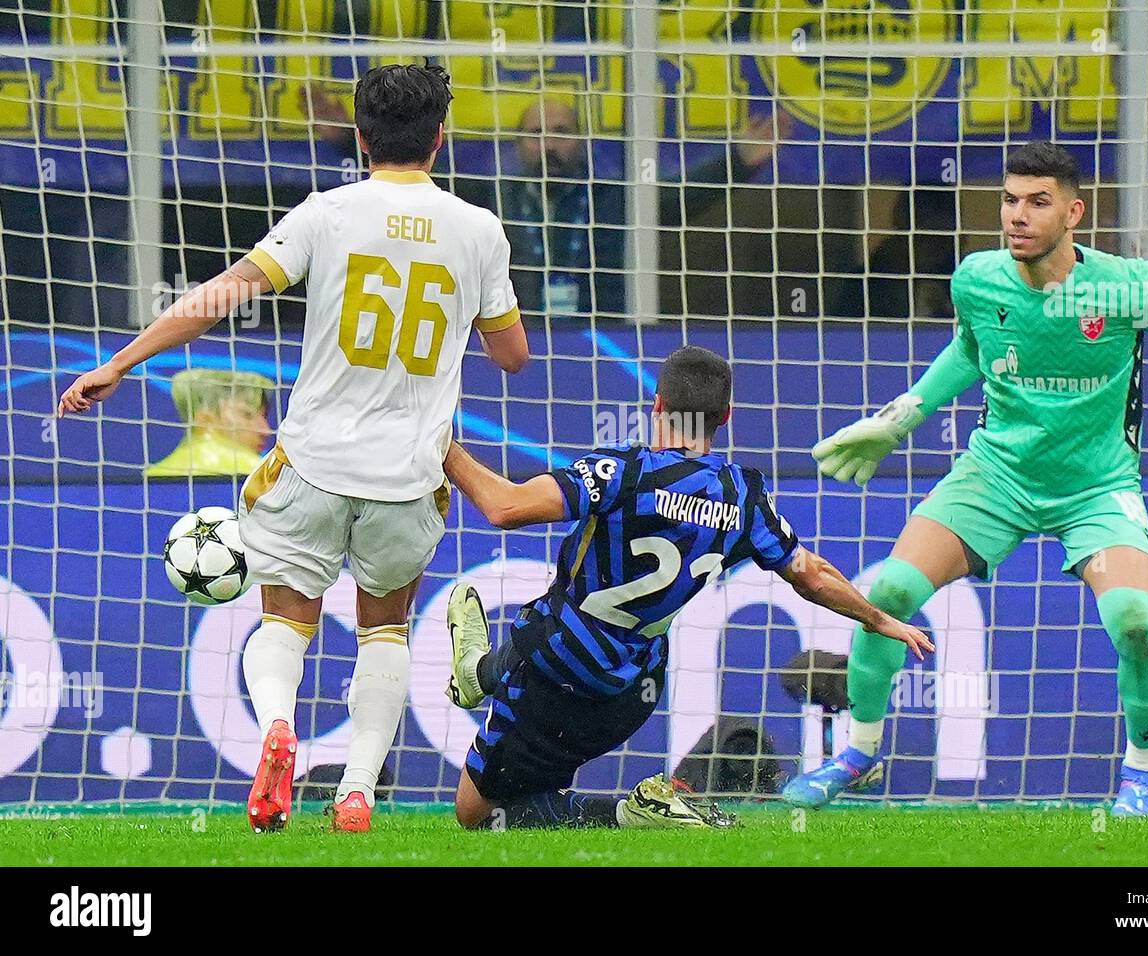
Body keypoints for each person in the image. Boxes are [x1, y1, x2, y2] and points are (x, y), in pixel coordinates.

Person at [59, 63, 530, 834]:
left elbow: (219, 296)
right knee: (384, 627)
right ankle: (356, 791)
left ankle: (278, 725)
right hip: (408, 477)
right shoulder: (478, 229)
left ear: (358, 137)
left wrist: (118, 362)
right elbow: (512, 357)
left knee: (282, 620)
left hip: (312, 464)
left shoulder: (328, 212)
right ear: (441, 139)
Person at [782, 141, 1148, 817]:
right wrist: (903, 416)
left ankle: (1138, 776)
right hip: (996, 474)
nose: (1017, 215)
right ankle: (858, 752)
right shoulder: (976, 277)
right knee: (895, 590)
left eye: (1037, 202)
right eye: (1009, 199)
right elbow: (971, 347)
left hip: (1097, 488)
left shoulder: (1125, 286)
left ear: (1075, 212)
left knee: (1135, 622)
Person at [438, 345, 932, 829]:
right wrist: (878, 617)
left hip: (555, 672)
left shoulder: (622, 473)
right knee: (531, 784)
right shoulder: (743, 496)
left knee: (476, 814)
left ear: (657, 404)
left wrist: (439, 442)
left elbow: (505, 507)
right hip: (631, 692)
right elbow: (810, 573)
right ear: (726, 416)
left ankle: (623, 812)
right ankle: (480, 673)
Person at [452, 98, 791, 319]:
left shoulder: (610, 199)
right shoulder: (492, 203)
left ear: (582, 142)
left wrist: (738, 162)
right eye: (536, 134)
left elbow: (678, 199)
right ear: (517, 145)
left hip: (603, 338)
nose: (549, 145)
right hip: (518, 341)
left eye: (561, 132)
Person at [146, 369, 273, 478]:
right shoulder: (260, 476)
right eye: (247, 415)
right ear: (205, 419)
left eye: (263, 417)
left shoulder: (152, 475)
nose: (265, 431)